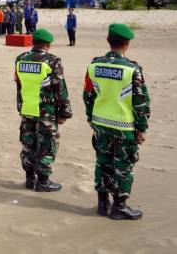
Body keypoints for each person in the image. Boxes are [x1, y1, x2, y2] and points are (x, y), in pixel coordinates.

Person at [83, 24, 150, 220]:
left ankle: (102, 204)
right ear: (127, 43)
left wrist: (91, 118)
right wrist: (142, 128)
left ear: (108, 41)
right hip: (124, 126)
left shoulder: (94, 66)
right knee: (124, 166)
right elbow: (141, 102)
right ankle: (119, 207)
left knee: (103, 162)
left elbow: (88, 95)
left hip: (100, 122)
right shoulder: (132, 70)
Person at [14, 29, 71, 192]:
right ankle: (43, 181)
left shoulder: (21, 59)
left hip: (27, 108)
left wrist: (20, 105)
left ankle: (29, 178)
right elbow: (60, 89)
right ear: (48, 44)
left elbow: (19, 84)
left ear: (33, 42)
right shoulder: (52, 61)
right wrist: (64, 112)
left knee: (28, 143)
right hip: (45, 111)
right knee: (46, 144)